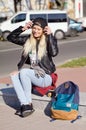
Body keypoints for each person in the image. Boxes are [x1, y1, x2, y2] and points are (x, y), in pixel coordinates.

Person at [7, 17, 59, 117]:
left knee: (24, 72)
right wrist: (23, 28)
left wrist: (50, 35)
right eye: (34, 28)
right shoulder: (28, 40)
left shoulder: (48, 40)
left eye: (38, 29)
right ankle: (25, 104)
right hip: (34, 75)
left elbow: (54, 52)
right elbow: (10, 37)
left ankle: (28, 104)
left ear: (44, 30)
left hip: (46, 77)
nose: (35, 31)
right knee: (13, 75)